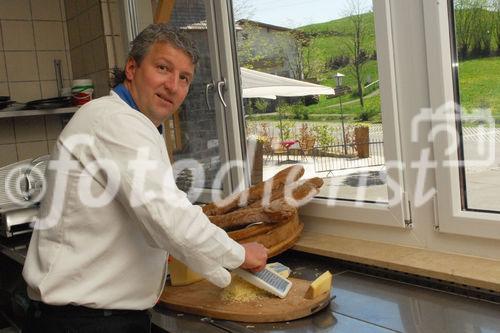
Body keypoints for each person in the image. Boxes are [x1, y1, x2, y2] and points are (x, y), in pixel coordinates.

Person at [22, 24, 268, 332]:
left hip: (91, 318)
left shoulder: (132, 123)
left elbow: (156, 216)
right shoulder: (115, 121)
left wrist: (221, 268)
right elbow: (168, 214)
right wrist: (240, 254)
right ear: (131, 67)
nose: (172, 85)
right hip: (84, 323)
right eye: (163, 68)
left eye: (184, 78)